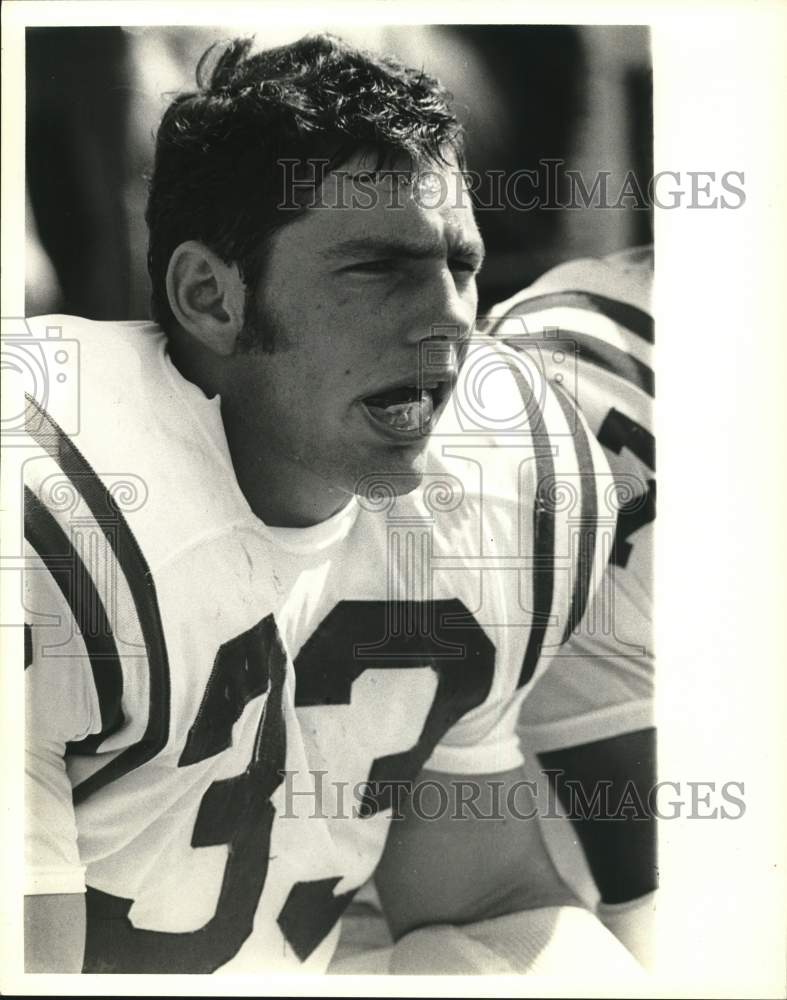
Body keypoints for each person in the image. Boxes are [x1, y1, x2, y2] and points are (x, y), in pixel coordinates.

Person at [23, 34, 651, 975]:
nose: (447, 318)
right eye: (377, 268)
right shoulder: (44, 513)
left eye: (462, 265)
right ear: (209, 296)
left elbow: (478, 902)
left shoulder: (496, 485)